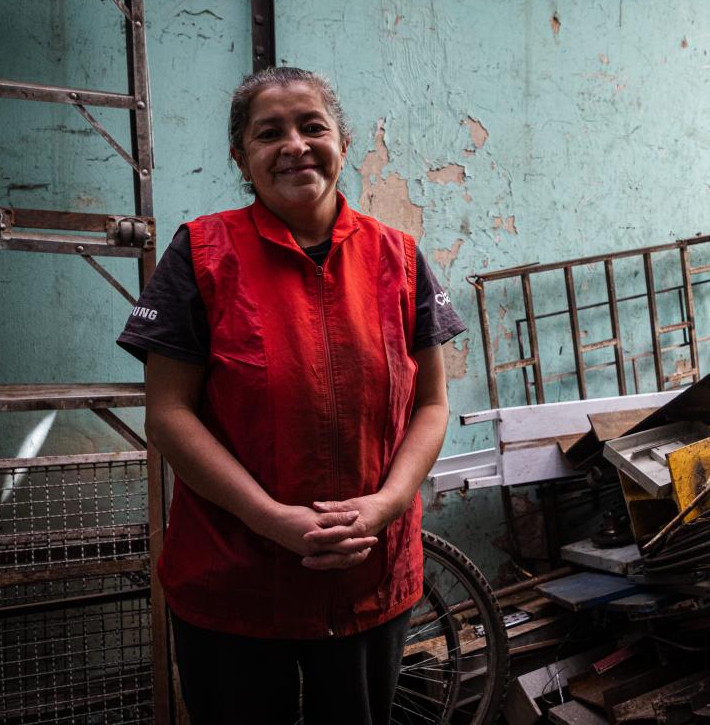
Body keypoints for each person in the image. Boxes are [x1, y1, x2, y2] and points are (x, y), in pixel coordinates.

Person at [117, 66, 466, 724]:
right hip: (234, 578)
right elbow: (167, 414)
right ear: (240, 157)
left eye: (312, 126)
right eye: (268, 132)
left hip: (369, 574)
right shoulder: (200, 253)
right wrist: (272, 519)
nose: (295, 145)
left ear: (343, 139)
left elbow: (430, 403)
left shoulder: (400, 256)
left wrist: (386, 505)